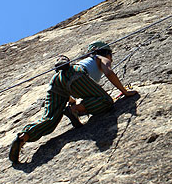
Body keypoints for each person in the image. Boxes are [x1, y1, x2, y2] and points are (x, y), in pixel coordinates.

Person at [9, 41, 138, 163]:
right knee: (106, 101)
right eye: (111, 55)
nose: (111, 58)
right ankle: (75, 110)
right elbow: (109, 73)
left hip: (57, 80)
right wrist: (125, 92)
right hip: (76, 75)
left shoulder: (84, 61)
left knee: (50, 118)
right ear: (107, 53)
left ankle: (23, 137)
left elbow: (70, 86)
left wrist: (70, 100)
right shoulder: (100, 58)